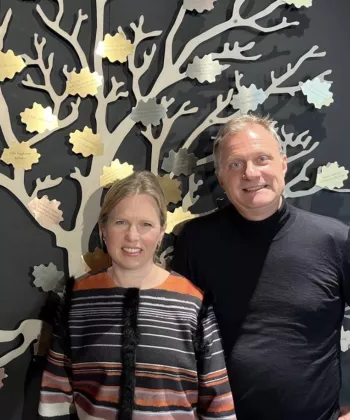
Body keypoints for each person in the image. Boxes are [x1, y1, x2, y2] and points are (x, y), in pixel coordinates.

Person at [171, 114, 350, 420]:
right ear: (221, 176)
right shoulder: (196, 241)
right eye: (236, 164)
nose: (251, 173)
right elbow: (175, 340)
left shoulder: (334, 240)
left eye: (262, 159)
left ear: (283, 163)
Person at [38, 171, 236, 420]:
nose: (133, 236)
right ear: (103, 228)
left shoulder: (192, 304)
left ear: (161, 232)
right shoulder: (77, 300)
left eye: (146, 224)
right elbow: (55, 393)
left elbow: (217, 403)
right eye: (121, 222)